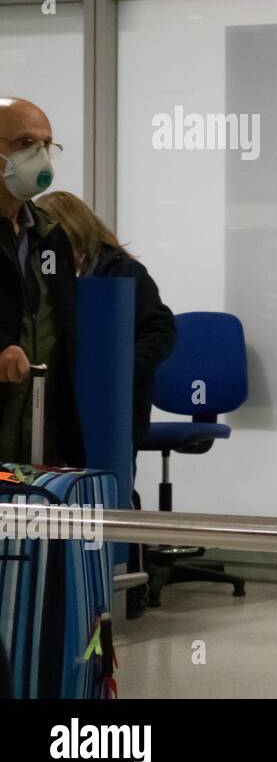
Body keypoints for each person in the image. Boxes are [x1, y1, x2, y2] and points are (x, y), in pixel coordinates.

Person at [37, 190, 177, 618]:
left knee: (112, 490)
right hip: (65, 399)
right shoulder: (51, 273)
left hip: (116, 404)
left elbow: (161, 330)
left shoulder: (124, 272)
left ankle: (125, 586)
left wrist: (121, 366)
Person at [0, 98, 83, 468]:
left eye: (46, 145)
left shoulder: (50, 236)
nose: (39, 156)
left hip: (40, 430)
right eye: (24, 144)